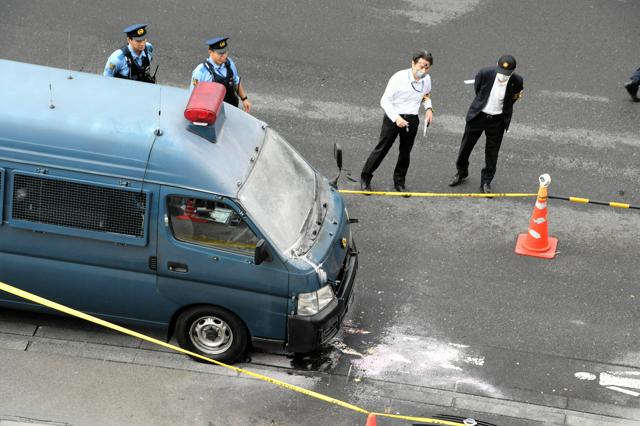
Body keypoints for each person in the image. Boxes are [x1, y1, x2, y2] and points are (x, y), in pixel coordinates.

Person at [448, 54, 524, 193]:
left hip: (497, 121)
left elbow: (514, 98)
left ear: (513, 72)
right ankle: (461, 172)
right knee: (465, 147)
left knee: (492, 153)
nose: (502, 77)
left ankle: (486, 181)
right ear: (497, 66)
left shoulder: (517, 81)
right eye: (501, 73)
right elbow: (478, 90)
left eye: (507, 75)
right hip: (478, 116)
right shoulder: (485, 73)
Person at [360, 51, 434, 193]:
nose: (423, 70)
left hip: (411, 119)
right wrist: (396, 118)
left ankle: (399, 182)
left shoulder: (427, 79)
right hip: (394, 117)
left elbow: (426, 95)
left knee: (405, 152)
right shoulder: (398, 78)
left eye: (427, 67)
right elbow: (385, 100)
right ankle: (365, 177)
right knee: (382, 149)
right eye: (421, 66)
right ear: (413, 63)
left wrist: (429, 109)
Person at [190, 37, 251, 113]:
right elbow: (193, 98)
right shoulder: (200, 72)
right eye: (220, 53)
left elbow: (236, 81)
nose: (224, 56)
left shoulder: (229, 64)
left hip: (232, 110)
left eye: (225, 52)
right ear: (210, 52)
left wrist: (244, 99)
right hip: (212, 115)